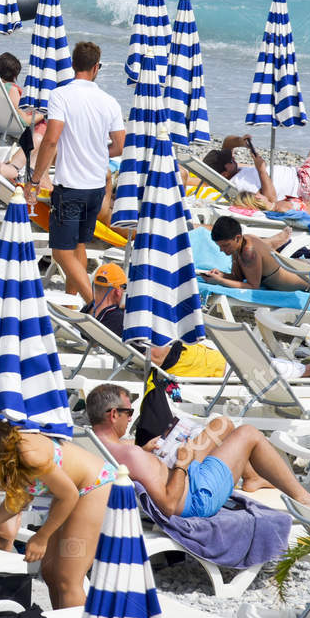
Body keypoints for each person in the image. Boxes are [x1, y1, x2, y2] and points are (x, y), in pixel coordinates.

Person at [0, 401, 114, 608]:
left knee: (67, 579)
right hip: (72, 492)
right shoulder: (5, 450)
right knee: (51, 573)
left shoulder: (26, 453)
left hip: (95, 485)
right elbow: (21, 497)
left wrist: (42, 537)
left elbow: (69, 495)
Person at [88, 382, 310, 516]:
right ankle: (303, 497)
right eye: (128, 412)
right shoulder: (130, 454)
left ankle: (252, 477)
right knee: (248, 433)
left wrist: (147, 450)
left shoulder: (95, 445)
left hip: (184, 477)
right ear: (113, 415)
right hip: (197, 497)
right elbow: (168, 505)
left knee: (222, 425)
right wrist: (182, 464)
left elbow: (139, 470)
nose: (130, 418)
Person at [28, 41, 125, 296]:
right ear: (97, 67)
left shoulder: (61, 95)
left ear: (72, 65)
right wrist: (96, 152)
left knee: (61, 250)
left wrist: (35, 180)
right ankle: (71, 301)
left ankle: (94, 304)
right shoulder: (109, 101)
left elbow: (51, 140)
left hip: (72, 187)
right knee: (79, 245)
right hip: (96, 189)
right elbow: (120, 145)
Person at [84, 262, 226, 380]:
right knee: (230, 364)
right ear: (117, 291)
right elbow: (156, 354)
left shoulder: (88, 314)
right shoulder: (122, 321)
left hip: (182, 353)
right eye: (124, 287)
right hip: (183, 362)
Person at [203, 131, 310, 209]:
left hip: (302, 176)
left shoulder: (232, 173)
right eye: (229, 161)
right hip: (305, 184)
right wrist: (261, 169)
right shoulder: (239, 185)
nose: (233, 158)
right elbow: (270, 199)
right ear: (224, 173)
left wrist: (241, 142)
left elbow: (227, 143)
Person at [202, 215, 310, 293]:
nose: (222, 250)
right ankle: (274, 241)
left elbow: (253, 287)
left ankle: (275, 241)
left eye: (225, 245)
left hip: (309, 281)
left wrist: (220, 281)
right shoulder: (240, 243)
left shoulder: (249, 253)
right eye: (219, 246)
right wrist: (221, 274)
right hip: (300, 268)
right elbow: (237, 277)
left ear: (237, 238)